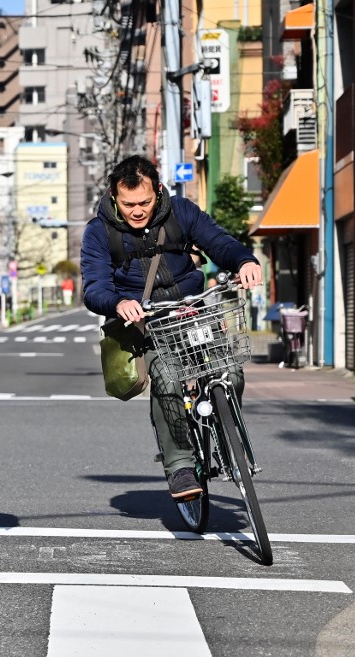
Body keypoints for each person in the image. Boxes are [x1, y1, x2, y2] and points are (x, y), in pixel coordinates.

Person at [80, 156, 263, 500]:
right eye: (129, 204)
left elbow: (219, 242)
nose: (137, 211)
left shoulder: (181, 211)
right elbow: (94, 287)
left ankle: (228, 435)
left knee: (230, 371)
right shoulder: (99, 232)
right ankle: (180, 465)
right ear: (114, 197)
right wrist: (117, 303)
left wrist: (244, 261)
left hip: (192, 309)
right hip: (146, 321)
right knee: (166, 379)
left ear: (159, 191)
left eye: (145, 202)